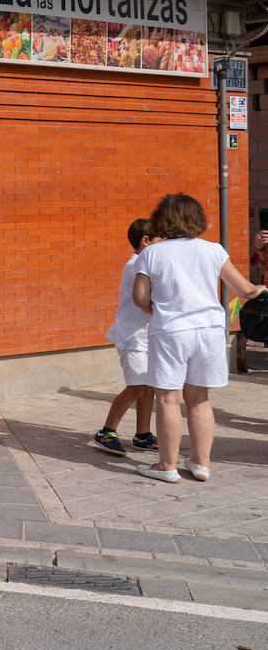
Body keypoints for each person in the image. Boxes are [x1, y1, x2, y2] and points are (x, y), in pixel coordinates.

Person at [132, 194, 264, 483]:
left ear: (163, 219)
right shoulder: (213, 250)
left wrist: (157, 308)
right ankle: (201, 463)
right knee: (199, 398)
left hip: (171, 331)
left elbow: (140, 297)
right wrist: (260, 288)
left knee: (168, 398)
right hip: (209, 330)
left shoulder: (152, 253)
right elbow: (243, 289)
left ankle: (167, 466)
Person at [93, 218, 159, 457]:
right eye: (160, 239)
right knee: (137, 385)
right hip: (132, 337)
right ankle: (107, 431)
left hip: (148, 336)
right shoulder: (136, 265)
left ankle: (142, 435)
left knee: (149, 387)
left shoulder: (145, 262)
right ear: (146, 240)